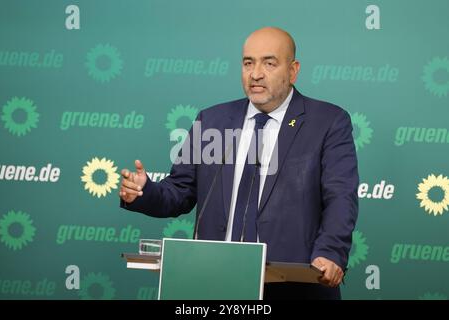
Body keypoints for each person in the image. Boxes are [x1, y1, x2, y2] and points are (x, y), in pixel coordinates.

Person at [119, 27, 359, 300]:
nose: (255, 74)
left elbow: (340, 197)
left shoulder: (327, 122)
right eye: (248, 63)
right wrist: (144, 191)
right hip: (216, 283)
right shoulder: (213, 121)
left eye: (269, 63)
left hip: (293, 286)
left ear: (293, 71)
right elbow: (180, 192)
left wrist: (330, 252)